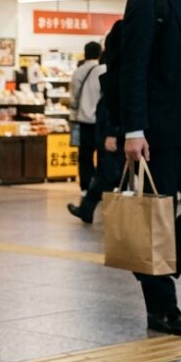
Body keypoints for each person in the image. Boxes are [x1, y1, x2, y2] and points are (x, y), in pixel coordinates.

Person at [119, 0, 181, 336]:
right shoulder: (150, 0)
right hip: (161, 133)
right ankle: (163, 310)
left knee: (167, 227)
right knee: (157, 215)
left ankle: (152, 266)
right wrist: (134, 131)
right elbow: (134, 70)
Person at [69, 23, 124, 223]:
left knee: (100, 165)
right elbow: (112, 100)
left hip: (90, 120)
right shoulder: (109, 68)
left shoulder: (80, 71)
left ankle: (88, 201)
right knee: (107, 169)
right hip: (106, 123)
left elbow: (75, 96)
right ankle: (91, 206)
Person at [70, 41, 104, 195]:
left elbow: (73, 98)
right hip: (99, 121)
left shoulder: (78, 72)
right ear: (100, 53)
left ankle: (85, 186)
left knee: (84, 156)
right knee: (102, 155)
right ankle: (99, 185)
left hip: (81, 121)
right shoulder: (103, 69)